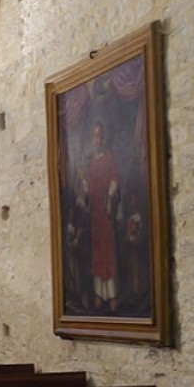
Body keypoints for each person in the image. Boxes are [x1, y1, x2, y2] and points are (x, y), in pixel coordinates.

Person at [79, 120, 121, 313]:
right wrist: (84, 184)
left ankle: (111, 295)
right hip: (95, 211)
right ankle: (99, 294)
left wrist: (111, 198)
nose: (97, 139)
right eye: (94, 136)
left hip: (105, 209)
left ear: (103, 137)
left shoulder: (109, 157)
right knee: (97, 252)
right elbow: (88, 187)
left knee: (107, 250)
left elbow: (114, 179)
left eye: (99, 135)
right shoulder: (91, 161)